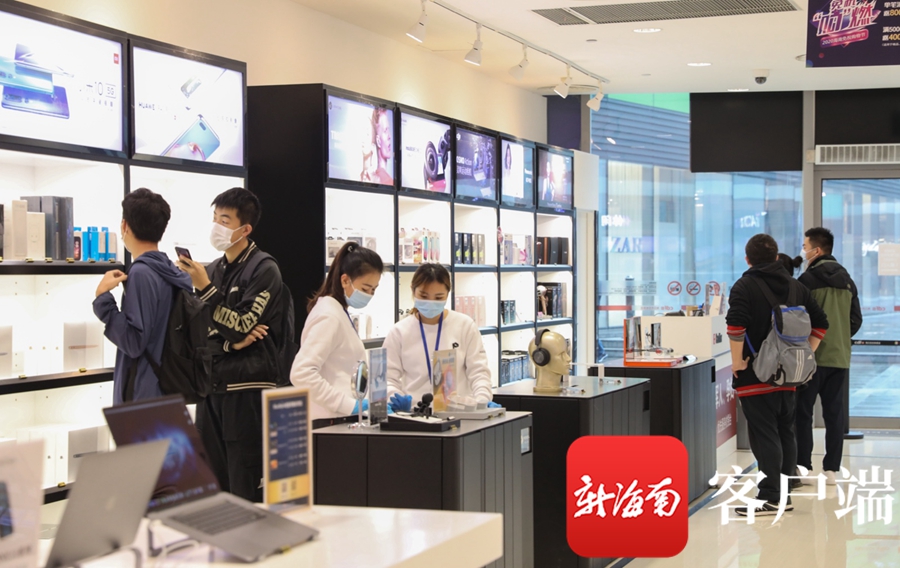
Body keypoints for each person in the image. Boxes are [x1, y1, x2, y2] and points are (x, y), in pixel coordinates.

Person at [177, 187, 284, 502]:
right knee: (213, 486)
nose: (216, 227)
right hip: (211, 388)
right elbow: (198, 336)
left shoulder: (264, 269)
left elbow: (241, 326)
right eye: (214, 219)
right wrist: (228, 345)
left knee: (244, 484)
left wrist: (206, 291)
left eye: (224, 221)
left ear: (245, 229)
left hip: (246, 392)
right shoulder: (211, 269)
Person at [726, 233, 828, 516]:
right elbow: (821, 324)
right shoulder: (796, 286)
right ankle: (784, 493)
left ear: (748, 259)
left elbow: (735, 327)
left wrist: (737, 363)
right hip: (790, 376)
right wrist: (804, 356)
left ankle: (770, 497)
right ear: (775, 257)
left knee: (764, 436)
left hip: (755, 375)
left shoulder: (744, 286)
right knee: (785, 432)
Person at [93, 188, 193, 404]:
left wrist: (103, 299)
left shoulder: (141, 272)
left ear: (125, 226)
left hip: (142, 393)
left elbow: (134, 342)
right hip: (168, 388)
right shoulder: (172, 270)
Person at [796, 227, 862, 485]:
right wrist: (841, 338)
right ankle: (831, 469)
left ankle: (803, 466)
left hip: (811, 357)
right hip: (840, 357)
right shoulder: (848, 281)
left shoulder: (807, 280)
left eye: (805, 247)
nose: (803, 251)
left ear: (816, 250)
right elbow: (856, 319)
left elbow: (797, 318)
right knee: (834, 414)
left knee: (803, 413)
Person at [384, 263, 496, 412]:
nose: (431, 302)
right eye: (424, 296)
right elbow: (388, 378)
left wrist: (482, 401)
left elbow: (479, 372)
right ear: (412, 290)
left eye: (438, 297)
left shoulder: (465, 326)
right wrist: (395, 397)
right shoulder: (399, 332)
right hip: (414, 414)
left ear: (448, 294)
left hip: (459, 413)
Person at [291, 242, 384, 420]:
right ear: (345, 280)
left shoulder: (338, 311)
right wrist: (347, 405)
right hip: (330, 420)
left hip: (339, 419)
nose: (369, 295)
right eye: (365, 289)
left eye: (373, 290)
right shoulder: (329, 315)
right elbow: (301, 373)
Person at [362, 108, 393, 185]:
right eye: (385, 131)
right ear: (378, 141)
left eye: (388, 130)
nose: (389, 136)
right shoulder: (387, 182)